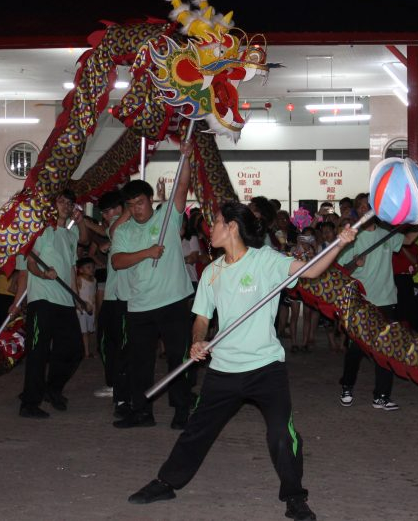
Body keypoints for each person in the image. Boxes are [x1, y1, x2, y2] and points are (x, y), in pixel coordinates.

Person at [127, 201, 357, 520]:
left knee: (281, 433)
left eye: (217, 223)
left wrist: (339, 244)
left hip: (266, 367)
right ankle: (166, 482)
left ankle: (294, 497)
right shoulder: (211, 272)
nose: (211, 229)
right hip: (224, 369)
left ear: (232, 227)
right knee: (197, 430)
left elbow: (313, 269)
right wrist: (197, 342)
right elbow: (202, 319)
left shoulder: (265, 260)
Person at [114, 139, 195, 429]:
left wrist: (184, 158)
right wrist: (147, 253)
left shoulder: (166, 219)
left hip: (173, 301)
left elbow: (182, 188)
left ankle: (182, 409)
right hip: (140, 306)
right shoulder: (123, 232)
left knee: (179, 358)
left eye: (140, 202)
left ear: (151, 200)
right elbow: (118, 261)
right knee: (140, 363)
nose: (136, 209)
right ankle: (142, 411)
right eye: (131, 205)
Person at [336, 193, 418, 411]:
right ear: (358, 211)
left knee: (385, 349)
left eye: (370, 206)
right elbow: (342, 269)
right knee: (356, 348)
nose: (366, 210)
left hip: (386, 300)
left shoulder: (386, 235)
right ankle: (347, 385)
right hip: (361, 301)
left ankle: (381, 396)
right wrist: (355, 263)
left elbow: (409, 240)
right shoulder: (351, 237)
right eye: (362, 207)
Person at [16, 189, 88, 418]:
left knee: (74, 349)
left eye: (69, 202)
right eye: (61, 201)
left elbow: (72, 267)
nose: (66, 205)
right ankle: (29, 403)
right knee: (38, 352)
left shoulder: (70, 234)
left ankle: (52, 388)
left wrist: (77, 298)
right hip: (43, 300)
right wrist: (42, 274)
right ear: (52, 205)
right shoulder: (41, 230)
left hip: (65, 301)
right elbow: (30, 263)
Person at [91, 189, 131, 407]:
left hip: (121, 296)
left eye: (107, 211)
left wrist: (126, 211)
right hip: (113, 295)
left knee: (114, 343)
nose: (106, 217)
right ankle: (116, 383)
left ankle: (120, 385)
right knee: (108, 342)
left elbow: (110, 229)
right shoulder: (116, 227)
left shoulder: (122, 224)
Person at [76, 257, 97, 358]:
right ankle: (86, 353)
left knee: (88, 331)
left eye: (93, 267)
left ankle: (85, 350)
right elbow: (75, 293)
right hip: (81, 310)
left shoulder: (94, 280)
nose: (92, 269)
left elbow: (94, 295)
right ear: (80, 270)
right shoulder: (79, 279)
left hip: (91, 309)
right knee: (83, 331)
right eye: (88, 267)